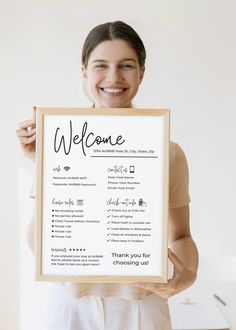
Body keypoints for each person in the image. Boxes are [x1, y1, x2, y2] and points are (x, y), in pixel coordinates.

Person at [16, 21, 198, 330]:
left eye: (126, 66)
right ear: (84, 70)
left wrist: (187, 276)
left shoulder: (168, 151)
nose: (113, 77)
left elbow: (180, 236)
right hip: (71, 307)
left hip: (141, 307)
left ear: (142, 71)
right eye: (101, 65)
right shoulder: (59, 142)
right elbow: (40, 243)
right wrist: (43, 166)